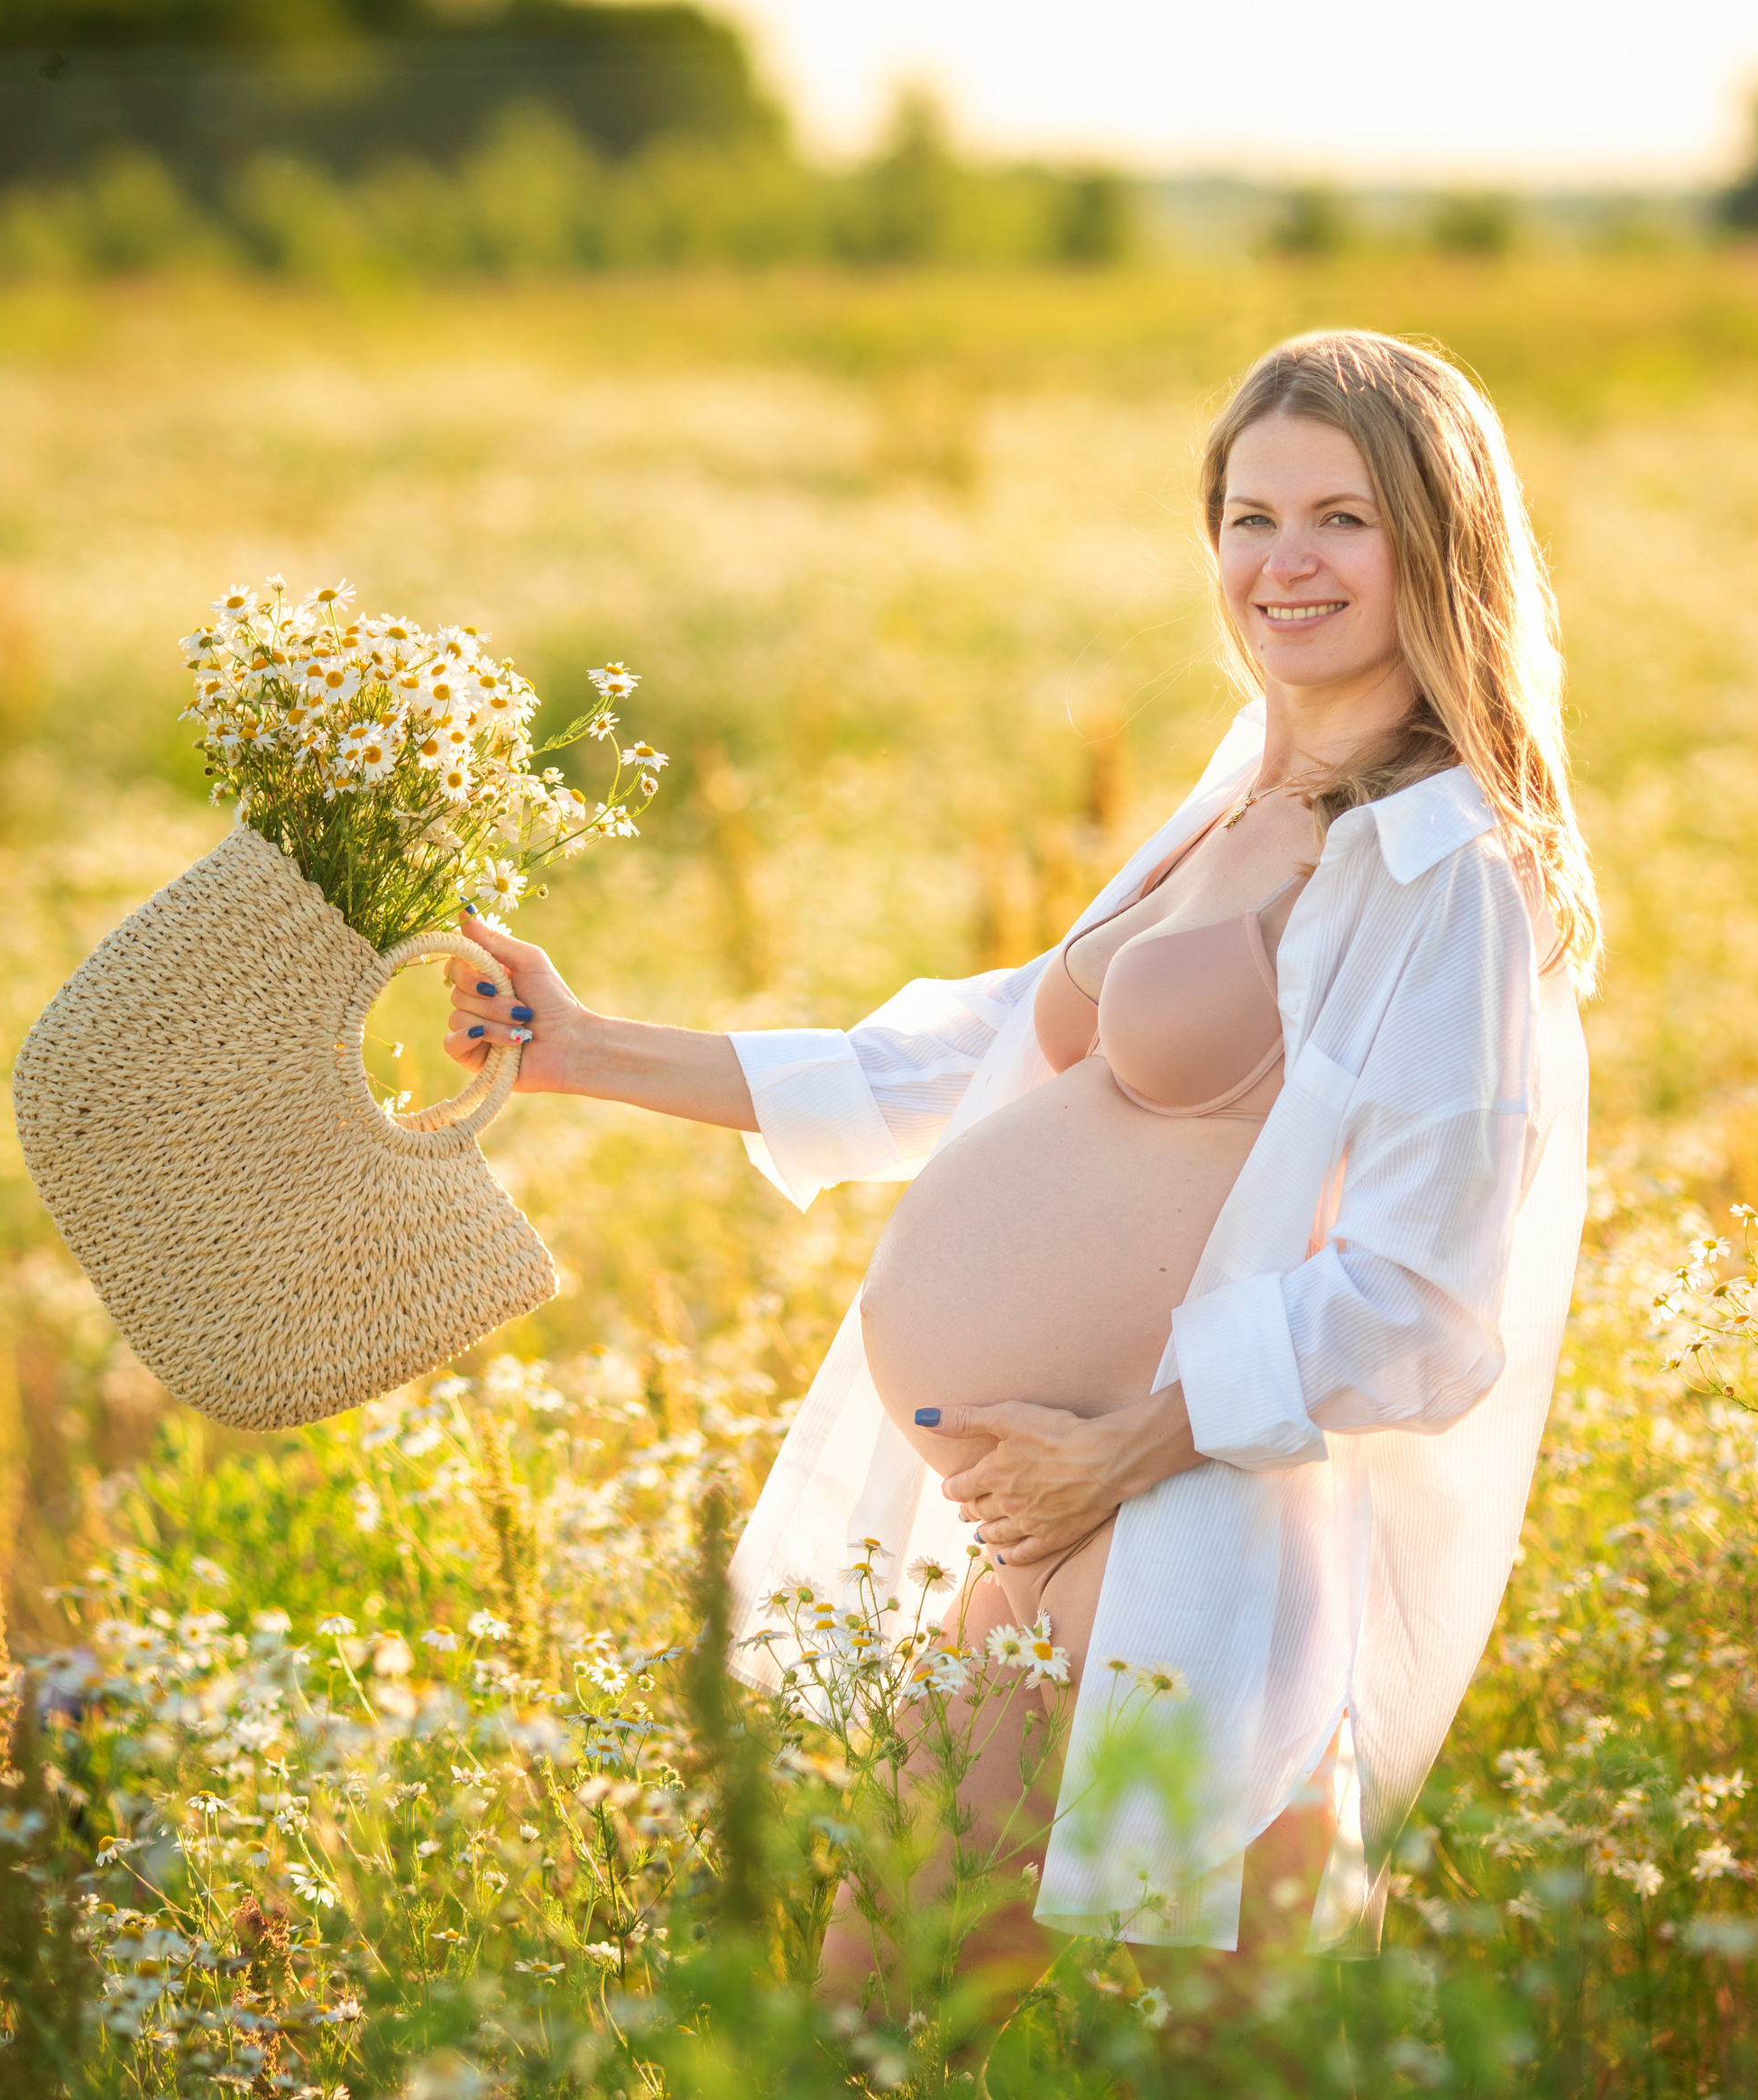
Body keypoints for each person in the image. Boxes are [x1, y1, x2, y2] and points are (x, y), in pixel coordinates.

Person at [444, 329, 1594, 1997]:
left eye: (1342, 517)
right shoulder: (1240, 793)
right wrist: (590, 1048)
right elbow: (983, 1057)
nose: (1285, 563)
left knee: (1042, 2025)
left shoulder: (1446, 867)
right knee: (916, 2011)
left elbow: (1427, 1297)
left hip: (1173, 1512)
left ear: (1439, 540)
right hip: (1050, 1519)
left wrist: (1120, 1452)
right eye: (1249, 516)